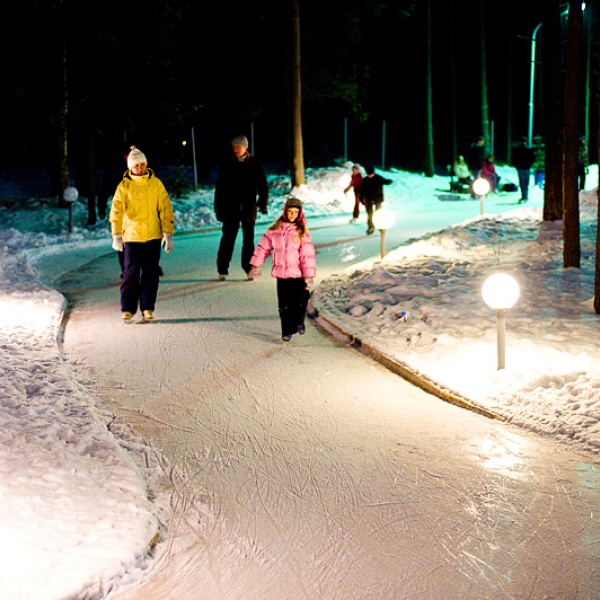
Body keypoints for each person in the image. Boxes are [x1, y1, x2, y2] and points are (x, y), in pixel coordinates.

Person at [109, 146, 175, 321]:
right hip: (131, 237)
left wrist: (167, 233)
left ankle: (147, 307)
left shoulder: (156, 184)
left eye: (142, 164)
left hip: (152, 236)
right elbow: (116, 211)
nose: (140, 168)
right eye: (136, 165)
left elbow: (165, 209)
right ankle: (128, 308)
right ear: (130, 167)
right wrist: (116, 235)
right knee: (130, 274)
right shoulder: (124, 186)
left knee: (150, 273)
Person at [248, 197, 316, 342]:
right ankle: (286, 330)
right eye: (290, 211)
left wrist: (308, 276)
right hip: (282, 275)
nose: (292, 215)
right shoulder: (274, 230)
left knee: (300, 301)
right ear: (285, 212)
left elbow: (307, 256)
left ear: (300, 213)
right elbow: (262, 248)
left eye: (295, 212)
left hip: (298, 275)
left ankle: (299, 321)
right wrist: (255, 265)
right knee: (284, 305)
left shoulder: (301, 232)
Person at [214, 134, 269, 281]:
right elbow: (220, 189)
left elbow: (263, 185)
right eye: (233, 147)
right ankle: (222, 268)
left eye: (238, 146)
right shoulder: (227, 164)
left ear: (245, 147)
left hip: (248, 208)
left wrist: (263, 202)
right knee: (228, 239)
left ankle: (249, 268)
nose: (235, 149)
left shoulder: (254, 164)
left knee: (248, 240)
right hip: (230, 208)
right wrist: (218, 209)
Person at [358, 164, 393, 235]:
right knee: (370, 214)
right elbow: (362, 191)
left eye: (371, 174)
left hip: (377, 199)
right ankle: (371, 227)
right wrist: (361, 200)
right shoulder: (365, 180)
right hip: (369, 200)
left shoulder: (378, 178)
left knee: (378, 214)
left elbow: (385, 181)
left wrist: (389, 181)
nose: (370, 175)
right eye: (369, 174)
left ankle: (380, 228)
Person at [512, 136, 535, 203]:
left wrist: (517, 166)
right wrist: (529, 165)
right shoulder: (529, 150)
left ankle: (524, 196)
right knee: (526, 182)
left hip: (521, 168)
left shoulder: (516, 150)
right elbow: (532, 158)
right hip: (526, 168)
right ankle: (525, 196)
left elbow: (514, 159)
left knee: (522, 182)